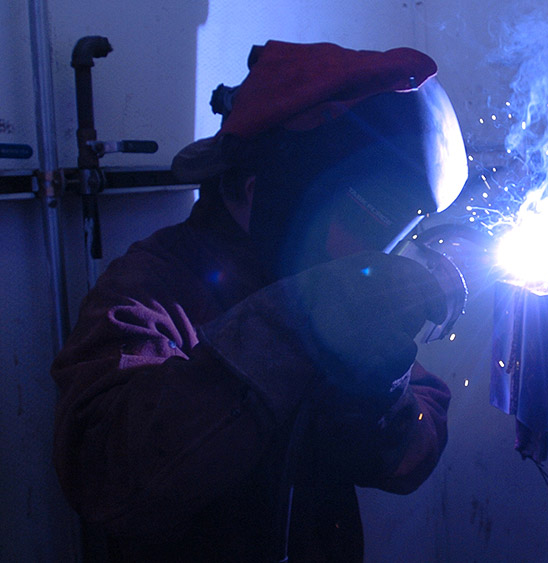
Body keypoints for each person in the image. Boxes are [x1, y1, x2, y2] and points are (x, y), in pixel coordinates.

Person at [50, 40, 468, 562]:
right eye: (357, 221)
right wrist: (288, 326)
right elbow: (104, 478)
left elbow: (413, 451)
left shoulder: (325, 282)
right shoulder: (150, 287)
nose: (368, 253)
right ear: (258, 190)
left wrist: (376, 385)